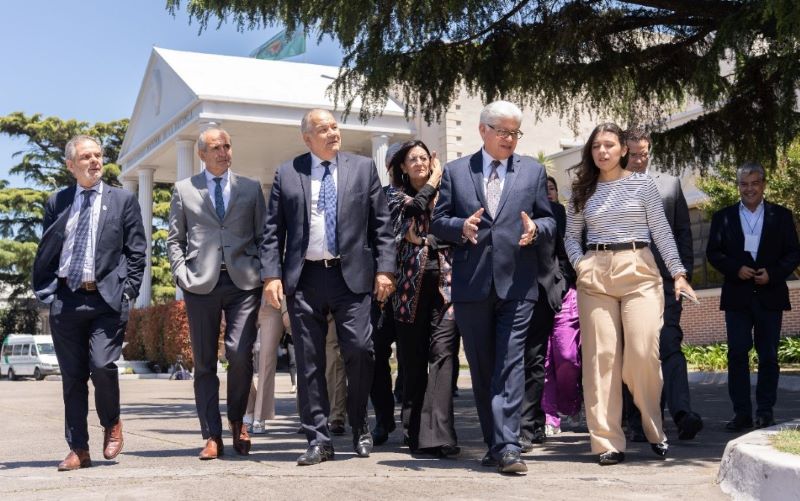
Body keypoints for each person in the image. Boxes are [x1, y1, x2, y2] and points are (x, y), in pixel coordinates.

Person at [261, 108, 396, 465]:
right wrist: (271, 276)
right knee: (309, 361)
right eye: (324, 129)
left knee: (361, 350)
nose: (334, 133)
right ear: (308, 138)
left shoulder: (363, 168)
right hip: (304, 278)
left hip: (351, 277)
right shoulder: (288, 173)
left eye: (336, 126)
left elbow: (381, 225)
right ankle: (319, 439)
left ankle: (359, 423)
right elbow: (273, 231)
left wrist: (386, 270)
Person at [431, 100, 555, 474]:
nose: (510, 139)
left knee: (510, 364)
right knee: (483, 368)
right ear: (483, 130)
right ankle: (495, 444)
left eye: (515, 133)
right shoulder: (456, 171)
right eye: (503, 131)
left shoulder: (533, 171)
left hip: (517, 284)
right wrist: (460, 227)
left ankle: (509, 446)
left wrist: (536, 229)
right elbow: (438, 222)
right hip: (471, 285)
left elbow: (549, 220)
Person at [564, 122, 697, 466]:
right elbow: (570, 236)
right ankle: (607, 442)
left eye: (609, 145)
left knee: (642, 353)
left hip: (639, 269)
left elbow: (662, 231)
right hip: (596, 272)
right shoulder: (582, 189)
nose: (602, 151)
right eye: (596, 146)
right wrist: (581, 265)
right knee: (601, 358)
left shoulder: (642, 184)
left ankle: (654, 426)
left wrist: (678, 274)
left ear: (623, 149)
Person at [32, 135, 147, 471]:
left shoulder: (122, 200)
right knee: (72, 377)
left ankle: (112, 422)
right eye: (86, 157)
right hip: (66, 299)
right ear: (71, 165)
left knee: (102, 365)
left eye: (98, 155)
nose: (95, 161)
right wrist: (49, 292)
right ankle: (78, 449)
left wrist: (128, 291)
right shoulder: (58, 201)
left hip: (106, 300)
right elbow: (48, 248)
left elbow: (136, 251)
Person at [167, 128, 268, 460]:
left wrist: (266, 274)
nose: (224, 152)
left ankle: (238, 421)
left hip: (244, 283)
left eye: (227, 146)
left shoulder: (250, 188)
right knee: (204, 362)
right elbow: (174, 239)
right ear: (201, 154)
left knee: (240, 353)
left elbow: (263, 236)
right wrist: (181, 274)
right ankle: (212, 435)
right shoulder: (184, 189)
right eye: (216, 148)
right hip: (200, 284)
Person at [622, 126, 703, 442]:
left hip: (665, 283)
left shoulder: (669, 185)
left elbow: (683, 232)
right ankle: (640, 418)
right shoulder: (610, 185)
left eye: (643, 153)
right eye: (633, 154)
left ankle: (682, 415)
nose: (639, 160)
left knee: (669, 344)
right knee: (635, 350)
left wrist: (682, 275)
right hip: (626, 284)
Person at [706, 162, 800, 432]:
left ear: (763, 184)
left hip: (770, 295)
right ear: (739, 186)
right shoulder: (723, 217)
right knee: (737, 354)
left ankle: (765, 412)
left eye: (754, 183)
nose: (749, 189)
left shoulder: (781, 216)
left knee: (768, 355)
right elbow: (714, 253)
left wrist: (773, 273)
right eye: (744, 184)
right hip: (738, 296)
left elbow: (793, 253)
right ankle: (742, 413)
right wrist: (735, 268)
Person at [386, 140, 460, 457]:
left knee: (443, 356)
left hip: (447, 288)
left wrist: (427, 238)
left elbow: (453, 231)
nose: (419, 163)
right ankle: (414, 431)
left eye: (424, 158)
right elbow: (412, 210)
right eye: (412, 159)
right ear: (403, 167)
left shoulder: (449, 195)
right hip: (408, 292)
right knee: (413, 362)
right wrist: (436, 178)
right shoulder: (394, 196)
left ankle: (440, 436)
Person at [519, 175, 566, 449]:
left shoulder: (555, 212)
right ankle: (524, 421)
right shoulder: (505, 208)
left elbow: (563, 251)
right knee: (513, 360)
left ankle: (531, 424)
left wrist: (560, 283)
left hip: (542, 292)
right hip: (510, 293)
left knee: (535, 360)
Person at [539, 176, 583, 437]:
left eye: (552, 189)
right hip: (536, 295)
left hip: (565, 292)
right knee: (543, 359)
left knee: (567, 356)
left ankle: (570, 404)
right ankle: (550, 415)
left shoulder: (564, 216)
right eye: (543, 189)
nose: (548, 193)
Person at [244, 300, 286, 434]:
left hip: (272, 302)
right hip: (243, 299)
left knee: (267, 359)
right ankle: (249, 407)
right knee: (239, 358)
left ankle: (260, 414)